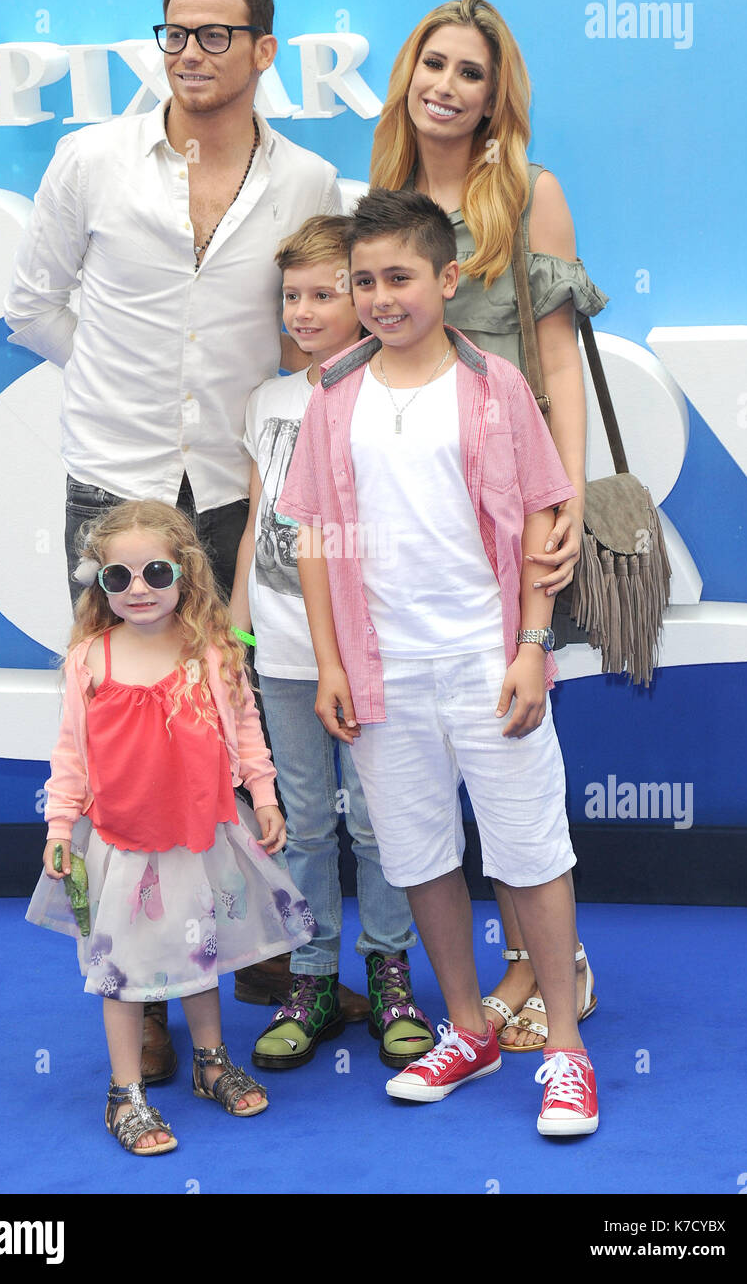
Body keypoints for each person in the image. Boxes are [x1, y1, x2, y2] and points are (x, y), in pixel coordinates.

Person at [5, 0, 341, 1074]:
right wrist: (109, 383)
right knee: (118, 741)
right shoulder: (89, 159)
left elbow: (317, 321)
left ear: (263, 50)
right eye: (174, 34)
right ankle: (134, 988)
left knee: (227, 725)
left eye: (214, 35)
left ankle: (233, 941)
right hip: (115, 489)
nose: (191, 54)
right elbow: (33, 302)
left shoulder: (306, 182)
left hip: (240, 490)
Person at [276, 189, 599, 1134]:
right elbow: (315, 539)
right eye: (364, 281)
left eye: (399, 277)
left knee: (530, 853)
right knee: (418, 856)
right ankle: (466, 1028)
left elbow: (544, 515)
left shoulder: (494, 385)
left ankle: (567, 1050)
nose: (381, 297)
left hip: (487, 662)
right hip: (382, 675)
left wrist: (533, 645)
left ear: (447, 279)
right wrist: (332, 665)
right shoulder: (331, 393)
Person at [370, 0, 605, 1050]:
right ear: (407, 74)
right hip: (416, 504)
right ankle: (518, 968)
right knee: (445, 742)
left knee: (510, 737)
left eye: (470, 71)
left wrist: (565, 496)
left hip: (510, 498)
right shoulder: (376, 196)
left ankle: (551, 966)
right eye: (434, 63)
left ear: (493, 92)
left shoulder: (530, 192)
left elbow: (556, 358)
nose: (447, 86)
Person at [26, 500, 317, 1154]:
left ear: (185, 571)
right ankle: (124, 1091)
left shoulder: (211, 652)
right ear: (98, 583)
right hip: (121, 848)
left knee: (199, 953)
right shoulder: (90, 662)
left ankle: (210, 1059)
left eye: (156, 572)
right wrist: (58, 826)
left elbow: (245, 731)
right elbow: (70, 755)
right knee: (122, 969)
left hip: (199, 839)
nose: (139, 590)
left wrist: (264, 796)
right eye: (118, 577)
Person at [229, 215, 433, 1071]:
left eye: (325, 293)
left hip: (367, 650)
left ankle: (389, 974)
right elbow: (252, 526)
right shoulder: (268, 401)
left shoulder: (379, 398)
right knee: (305, 824)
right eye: (292, 297)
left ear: (360, 298)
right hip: (278, 651)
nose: (305, 312)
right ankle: (310, 977)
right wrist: (236, 634)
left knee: (383, 821)